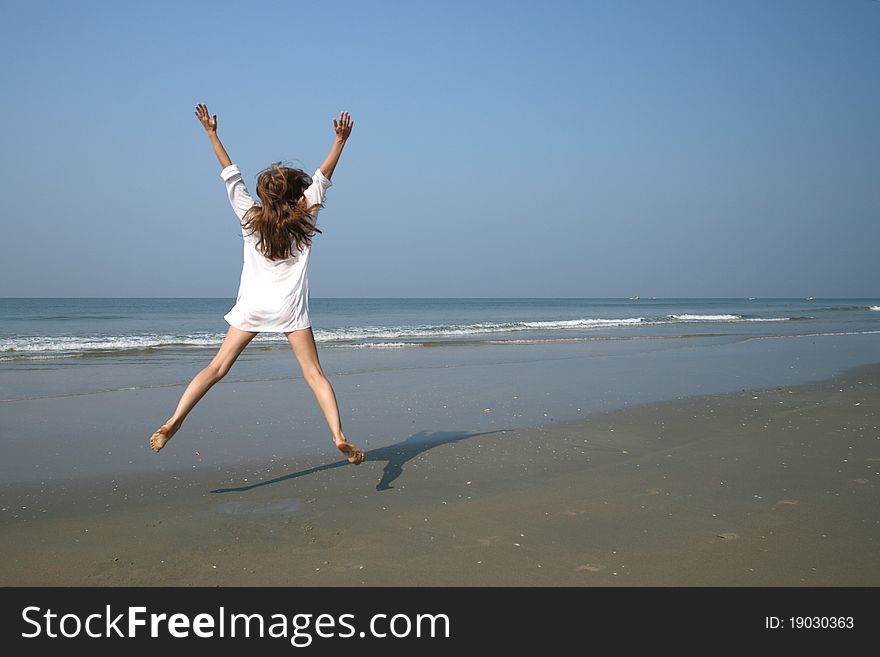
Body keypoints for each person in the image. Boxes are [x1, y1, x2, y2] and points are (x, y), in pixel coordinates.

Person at [148, 103, 365, 465]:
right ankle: (339, 436)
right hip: (290, 309)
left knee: (217, 368)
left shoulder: (250, 216)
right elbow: (323, 175)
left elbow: (230, 174)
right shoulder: (305, 216)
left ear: (264, 194)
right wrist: (340, 141)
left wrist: (211, 133)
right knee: (314, 374)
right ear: (297, 192)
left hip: (252, 306)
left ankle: (174, 420)